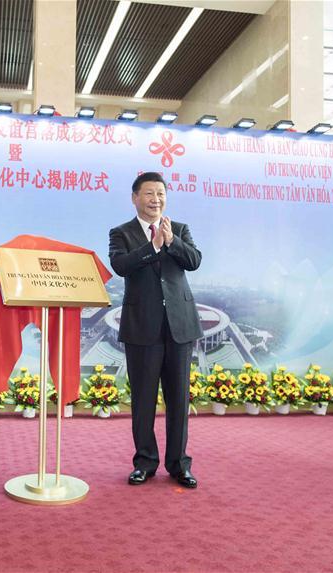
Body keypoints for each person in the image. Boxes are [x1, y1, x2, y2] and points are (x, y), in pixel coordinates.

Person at [108, 172, 203, 489]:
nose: (155, 199)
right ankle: (145, 463)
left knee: (179, 400)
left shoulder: (180, 229)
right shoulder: (121, 233)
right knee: (143, 401)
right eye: (149, 193)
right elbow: (121, 266)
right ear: (135, 197)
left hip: (179, 326)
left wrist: (171, 241)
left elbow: (194, 261)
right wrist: (153, 246)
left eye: (160, 193)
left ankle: (179, 464)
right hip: (142, 327)